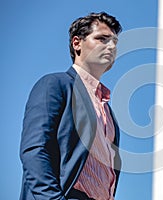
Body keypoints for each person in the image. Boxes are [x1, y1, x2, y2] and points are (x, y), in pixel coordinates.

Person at [19, 12, 122, 200]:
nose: (112, 46)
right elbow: (35, 150)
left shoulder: (109, 113)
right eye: (102, 39)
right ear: (77, 43)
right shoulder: (55, 85)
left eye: (115, 42)